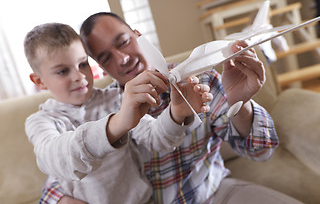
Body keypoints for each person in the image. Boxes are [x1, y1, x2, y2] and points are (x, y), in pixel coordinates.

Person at [42, 13, 303, 204]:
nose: (122, 59)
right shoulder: (101, 109)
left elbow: (261, 152)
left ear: (137, 35)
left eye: (122, 42)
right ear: (101, 67)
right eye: (105, 57)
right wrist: (59, 200)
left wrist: (240, 102)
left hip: (213, 193)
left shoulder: (203, 79)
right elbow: (62, 167)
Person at [24, 23, 213, 204]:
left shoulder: (116, 98)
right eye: (63, 71)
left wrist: (177, 113)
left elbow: (157, 138)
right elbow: (56, 159)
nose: (79, 76)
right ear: (39, 81)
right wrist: (117, 124)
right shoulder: (40, 121)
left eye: (83, 64)